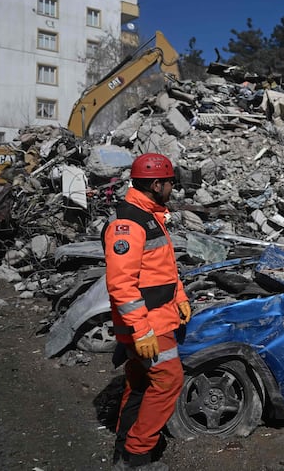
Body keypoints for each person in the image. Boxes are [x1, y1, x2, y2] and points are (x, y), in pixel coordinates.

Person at [102, 152, 191, 471]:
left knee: (139, 384)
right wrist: (141, 332)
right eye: (169, 183)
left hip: (157, 320)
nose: (172, 188)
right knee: (168, 381)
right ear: (156, 184)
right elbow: (121, 285)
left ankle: (123, 451)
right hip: (147, 327)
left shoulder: (151, 215)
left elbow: (162, 268)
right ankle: (138, 458)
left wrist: (179, 295)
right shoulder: (129, 223)